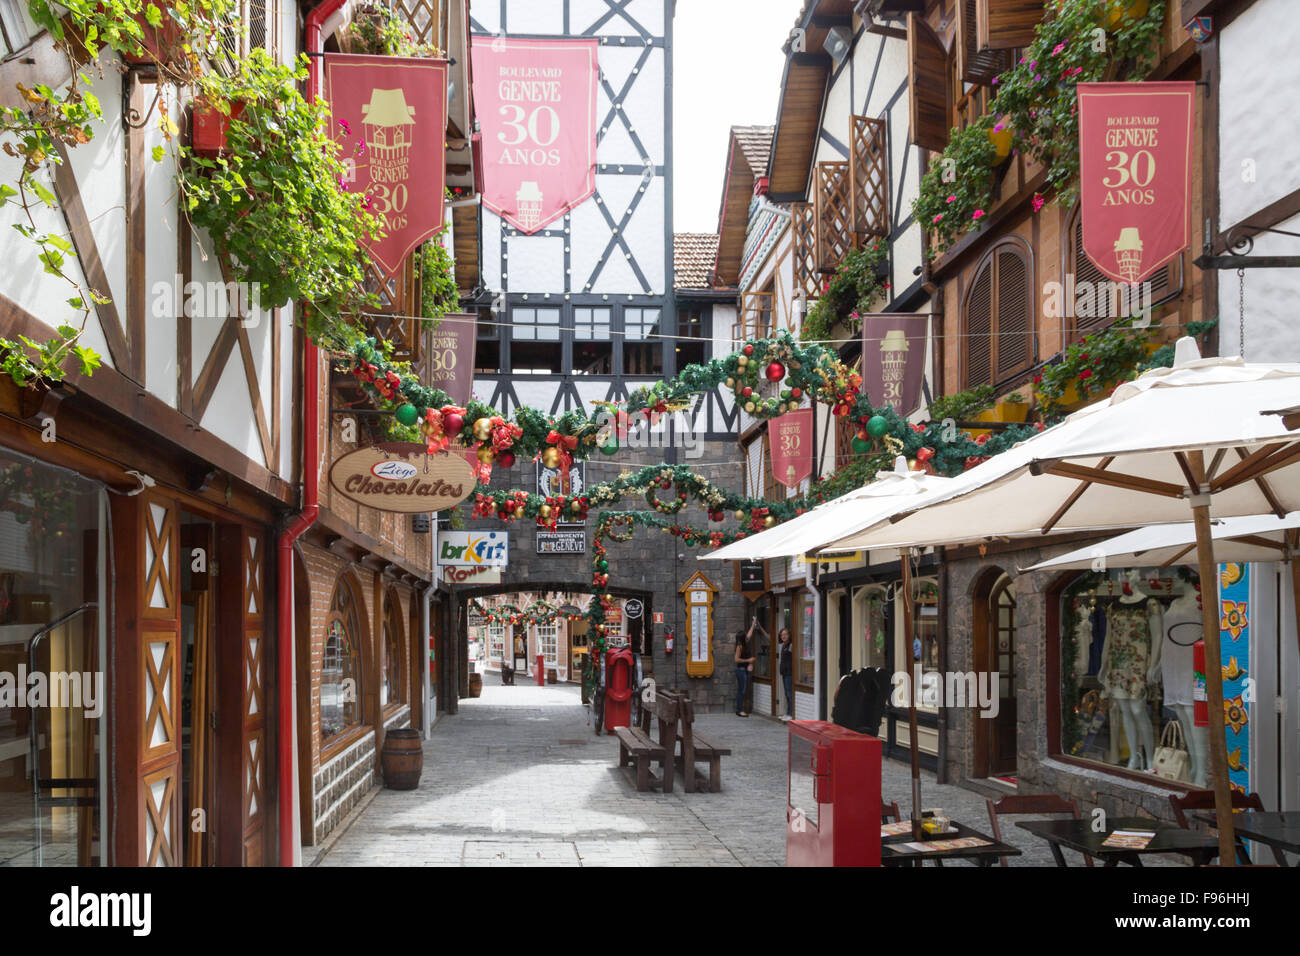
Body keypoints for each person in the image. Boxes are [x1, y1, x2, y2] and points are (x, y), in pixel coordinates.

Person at [734, 623, 756, 716]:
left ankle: (740, 709)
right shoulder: (740, 646)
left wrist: (753, 624)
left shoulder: (744, 642)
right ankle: (739, 710)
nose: (747, 637)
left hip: (745, 669)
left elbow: (749, 634)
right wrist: (748, 660)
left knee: (743, 689)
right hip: (740, 670)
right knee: (742, 690)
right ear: (743, 639)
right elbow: (736, 659)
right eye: (745, 637)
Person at [777, 627, 794, 720]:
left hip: (789, 673)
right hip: (784, 673)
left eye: (785, 634)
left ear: (789, 635)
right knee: (786, 694)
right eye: (782, 635)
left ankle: (790, 714)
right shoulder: (783, 645)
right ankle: (787, 713)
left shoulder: (791, 645)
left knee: (789, 693)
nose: (783, 636)